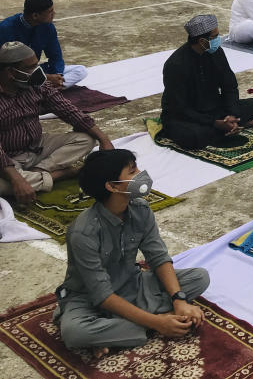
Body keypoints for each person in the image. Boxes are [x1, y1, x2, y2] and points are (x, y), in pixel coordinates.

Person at [56, 149, 209, 355]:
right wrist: (158, 323)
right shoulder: (83, 232)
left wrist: (179, 299)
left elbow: (158, 257)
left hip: (132, 285)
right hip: (89, 299)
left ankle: (121, 329)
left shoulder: (140, 209)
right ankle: (150, 321)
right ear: (112, 186)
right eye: (132, 171)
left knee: (199, 277)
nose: (140, 174)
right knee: (74, 333)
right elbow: (102, 295)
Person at [0, 41, 109, 205]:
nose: (37, 72)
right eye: (30, 67)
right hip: (8, 156)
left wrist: (104, 140)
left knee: (86, 139)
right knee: (3, 184)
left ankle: (37, 173)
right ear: (10, 72)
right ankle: (60, 174)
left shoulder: (37, 84)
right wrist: (15, 177)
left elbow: (68, 111)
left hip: (38, 146)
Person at [160, 15, 253, 151]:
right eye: (215, 36)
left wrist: (231, 114)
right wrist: (215, 123)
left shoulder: (216, 52)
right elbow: (179, 108)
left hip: (215, 109)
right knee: (193, 137)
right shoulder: (176, 64)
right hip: (187, 116)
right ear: (202, 41)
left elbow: (230, 86)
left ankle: (228, 126)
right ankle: (228, 128)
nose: (218, 39)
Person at [0, 0, 87, 89]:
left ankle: (46, 88)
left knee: (80, 70)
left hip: (36, 70)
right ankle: (43, 88)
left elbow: (56, 57)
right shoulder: (5, 29)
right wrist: (46, 78)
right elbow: (4, 67)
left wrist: (57, 74)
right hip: (16, 74)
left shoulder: (48, 27)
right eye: (50, 12)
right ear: (35, 15)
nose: (54, 14)